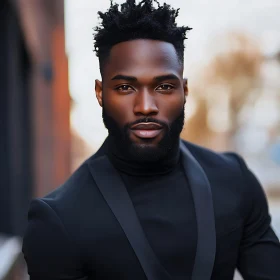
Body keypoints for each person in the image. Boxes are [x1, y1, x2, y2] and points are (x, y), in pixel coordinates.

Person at [22, 0, 280, 279]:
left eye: (164, 86)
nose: (145, 106)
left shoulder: (234, 181)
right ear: (100, 93)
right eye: (125, 87)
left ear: (185, 90)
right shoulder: (58, 219)